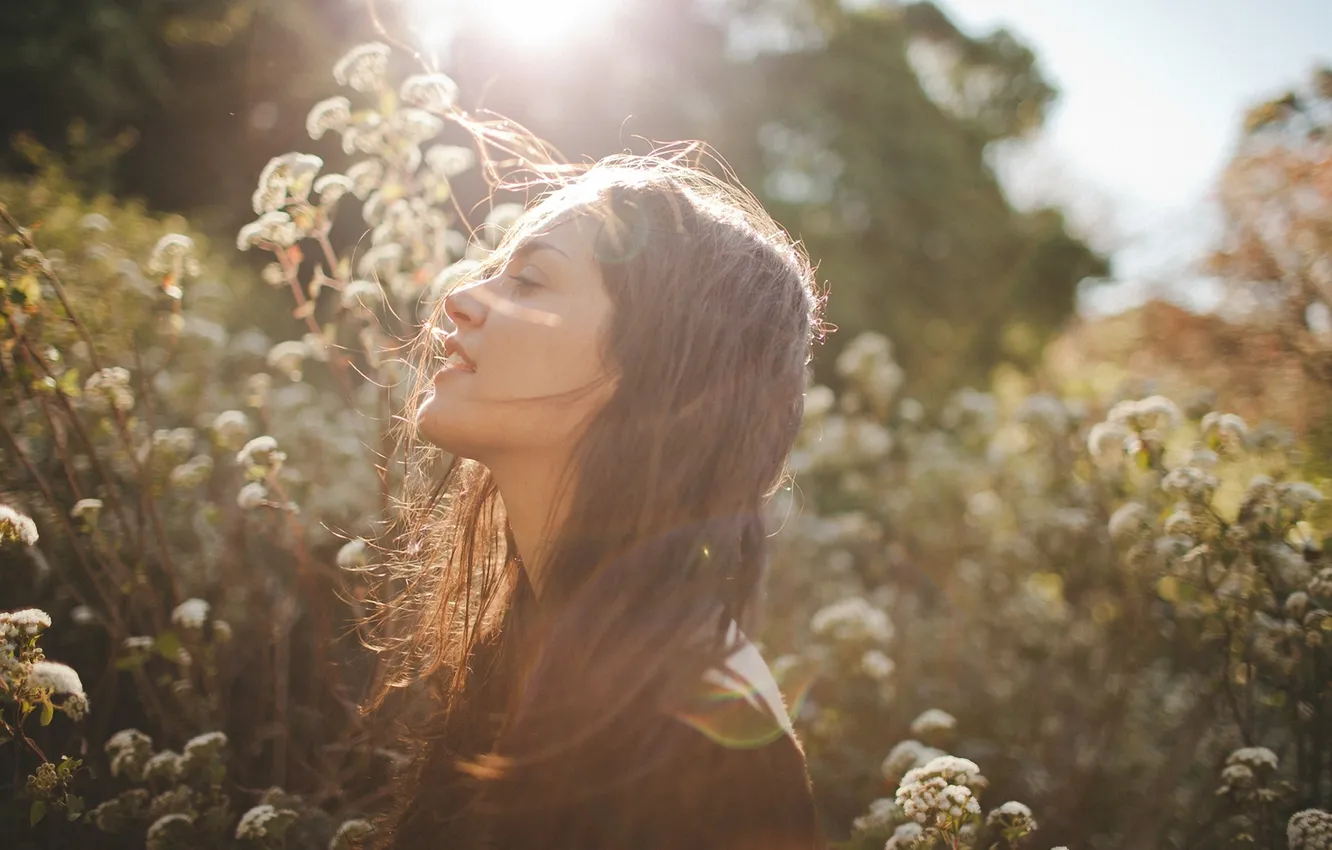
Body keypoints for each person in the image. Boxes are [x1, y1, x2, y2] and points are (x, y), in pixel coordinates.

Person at [365, 152, 829, 850]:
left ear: (656, 370)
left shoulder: (700, 745)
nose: (458, 299)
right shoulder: (541, 646)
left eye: (527, 280)